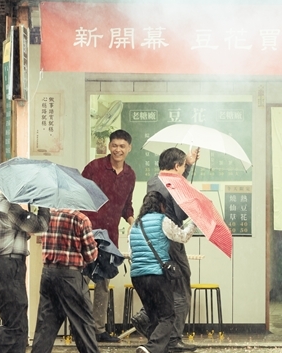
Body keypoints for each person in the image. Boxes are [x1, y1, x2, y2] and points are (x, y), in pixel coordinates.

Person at [0, 193, 50, 353]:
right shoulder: (10, 208)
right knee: (15, 327)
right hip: (7, 267)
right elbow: (40, 225)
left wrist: (24, 233)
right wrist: (44, 203)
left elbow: (6, 235)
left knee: (17, 325)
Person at [82, 129, 136, 343]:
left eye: (122, 146)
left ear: (129, 148)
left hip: (110, 237)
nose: (117, 149)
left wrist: (133, 222)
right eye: (114, 145)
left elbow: (127, 206)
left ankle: (98, 329)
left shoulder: (130, 175)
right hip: (88, 233)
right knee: (82, 281)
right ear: (109, 146)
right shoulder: (94, 167)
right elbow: (80, 195)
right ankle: (81, 327)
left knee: (103, 282)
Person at [142, 147, 198, 352]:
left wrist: (188, 164)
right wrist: (193, 205)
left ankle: (145, 317)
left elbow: (175, 183)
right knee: (180, 287)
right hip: (172, 239)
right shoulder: (175, 184)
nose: (183, 170)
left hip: (155, 239)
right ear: (176, 166)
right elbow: (181, 214)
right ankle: (173, 339)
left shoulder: (153, 181)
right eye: (182, 167)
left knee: (165, 283)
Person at [130, 191, 195, 353]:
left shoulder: (135, 225)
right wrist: (194, 223)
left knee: (154, 317)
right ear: (161, 205)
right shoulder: (163, 221)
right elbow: (182, 237)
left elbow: (132, 252)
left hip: (137, 277)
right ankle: (150, 348)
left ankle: (157, 349)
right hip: (157, 276)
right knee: (168, 316)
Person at [31, 209, 100, 353]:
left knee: (46, 326)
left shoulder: (48, 217)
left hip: (48, 274)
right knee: (83, 324)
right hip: (70, 276)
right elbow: (90, 256)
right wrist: (96, 247)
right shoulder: (80, 219)